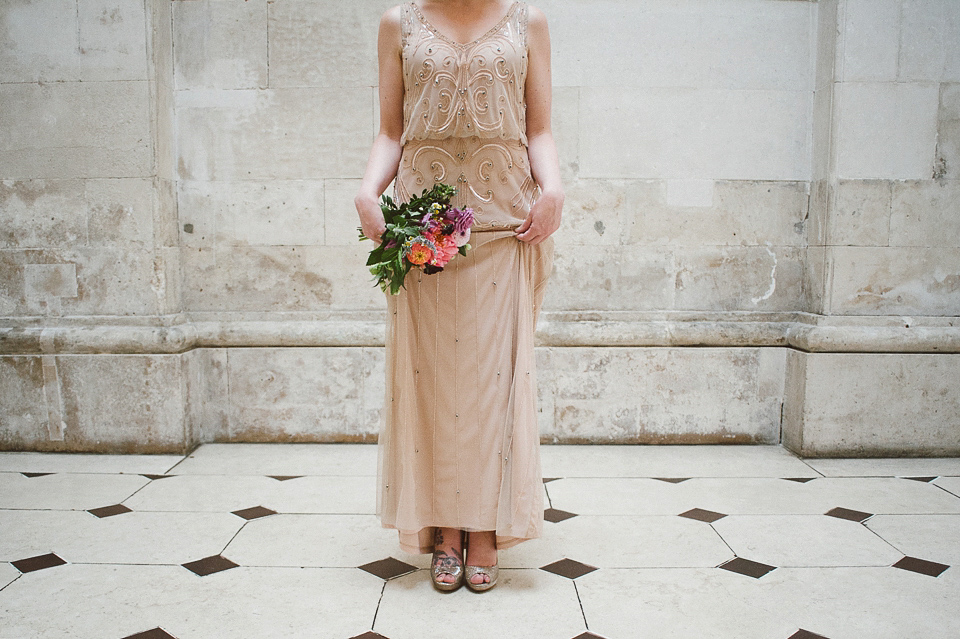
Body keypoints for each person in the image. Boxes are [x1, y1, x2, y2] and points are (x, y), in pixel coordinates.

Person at [355, 0, 563, 592]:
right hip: (426, 231)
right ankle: (445, 528)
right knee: (435, 384)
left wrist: (553, 187)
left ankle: (485, 529)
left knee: (494, 386)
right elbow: (391, 132)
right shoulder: (399, 22)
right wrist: (369, 190)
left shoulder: (529, 21)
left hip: (504, 228)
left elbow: (539, 129)